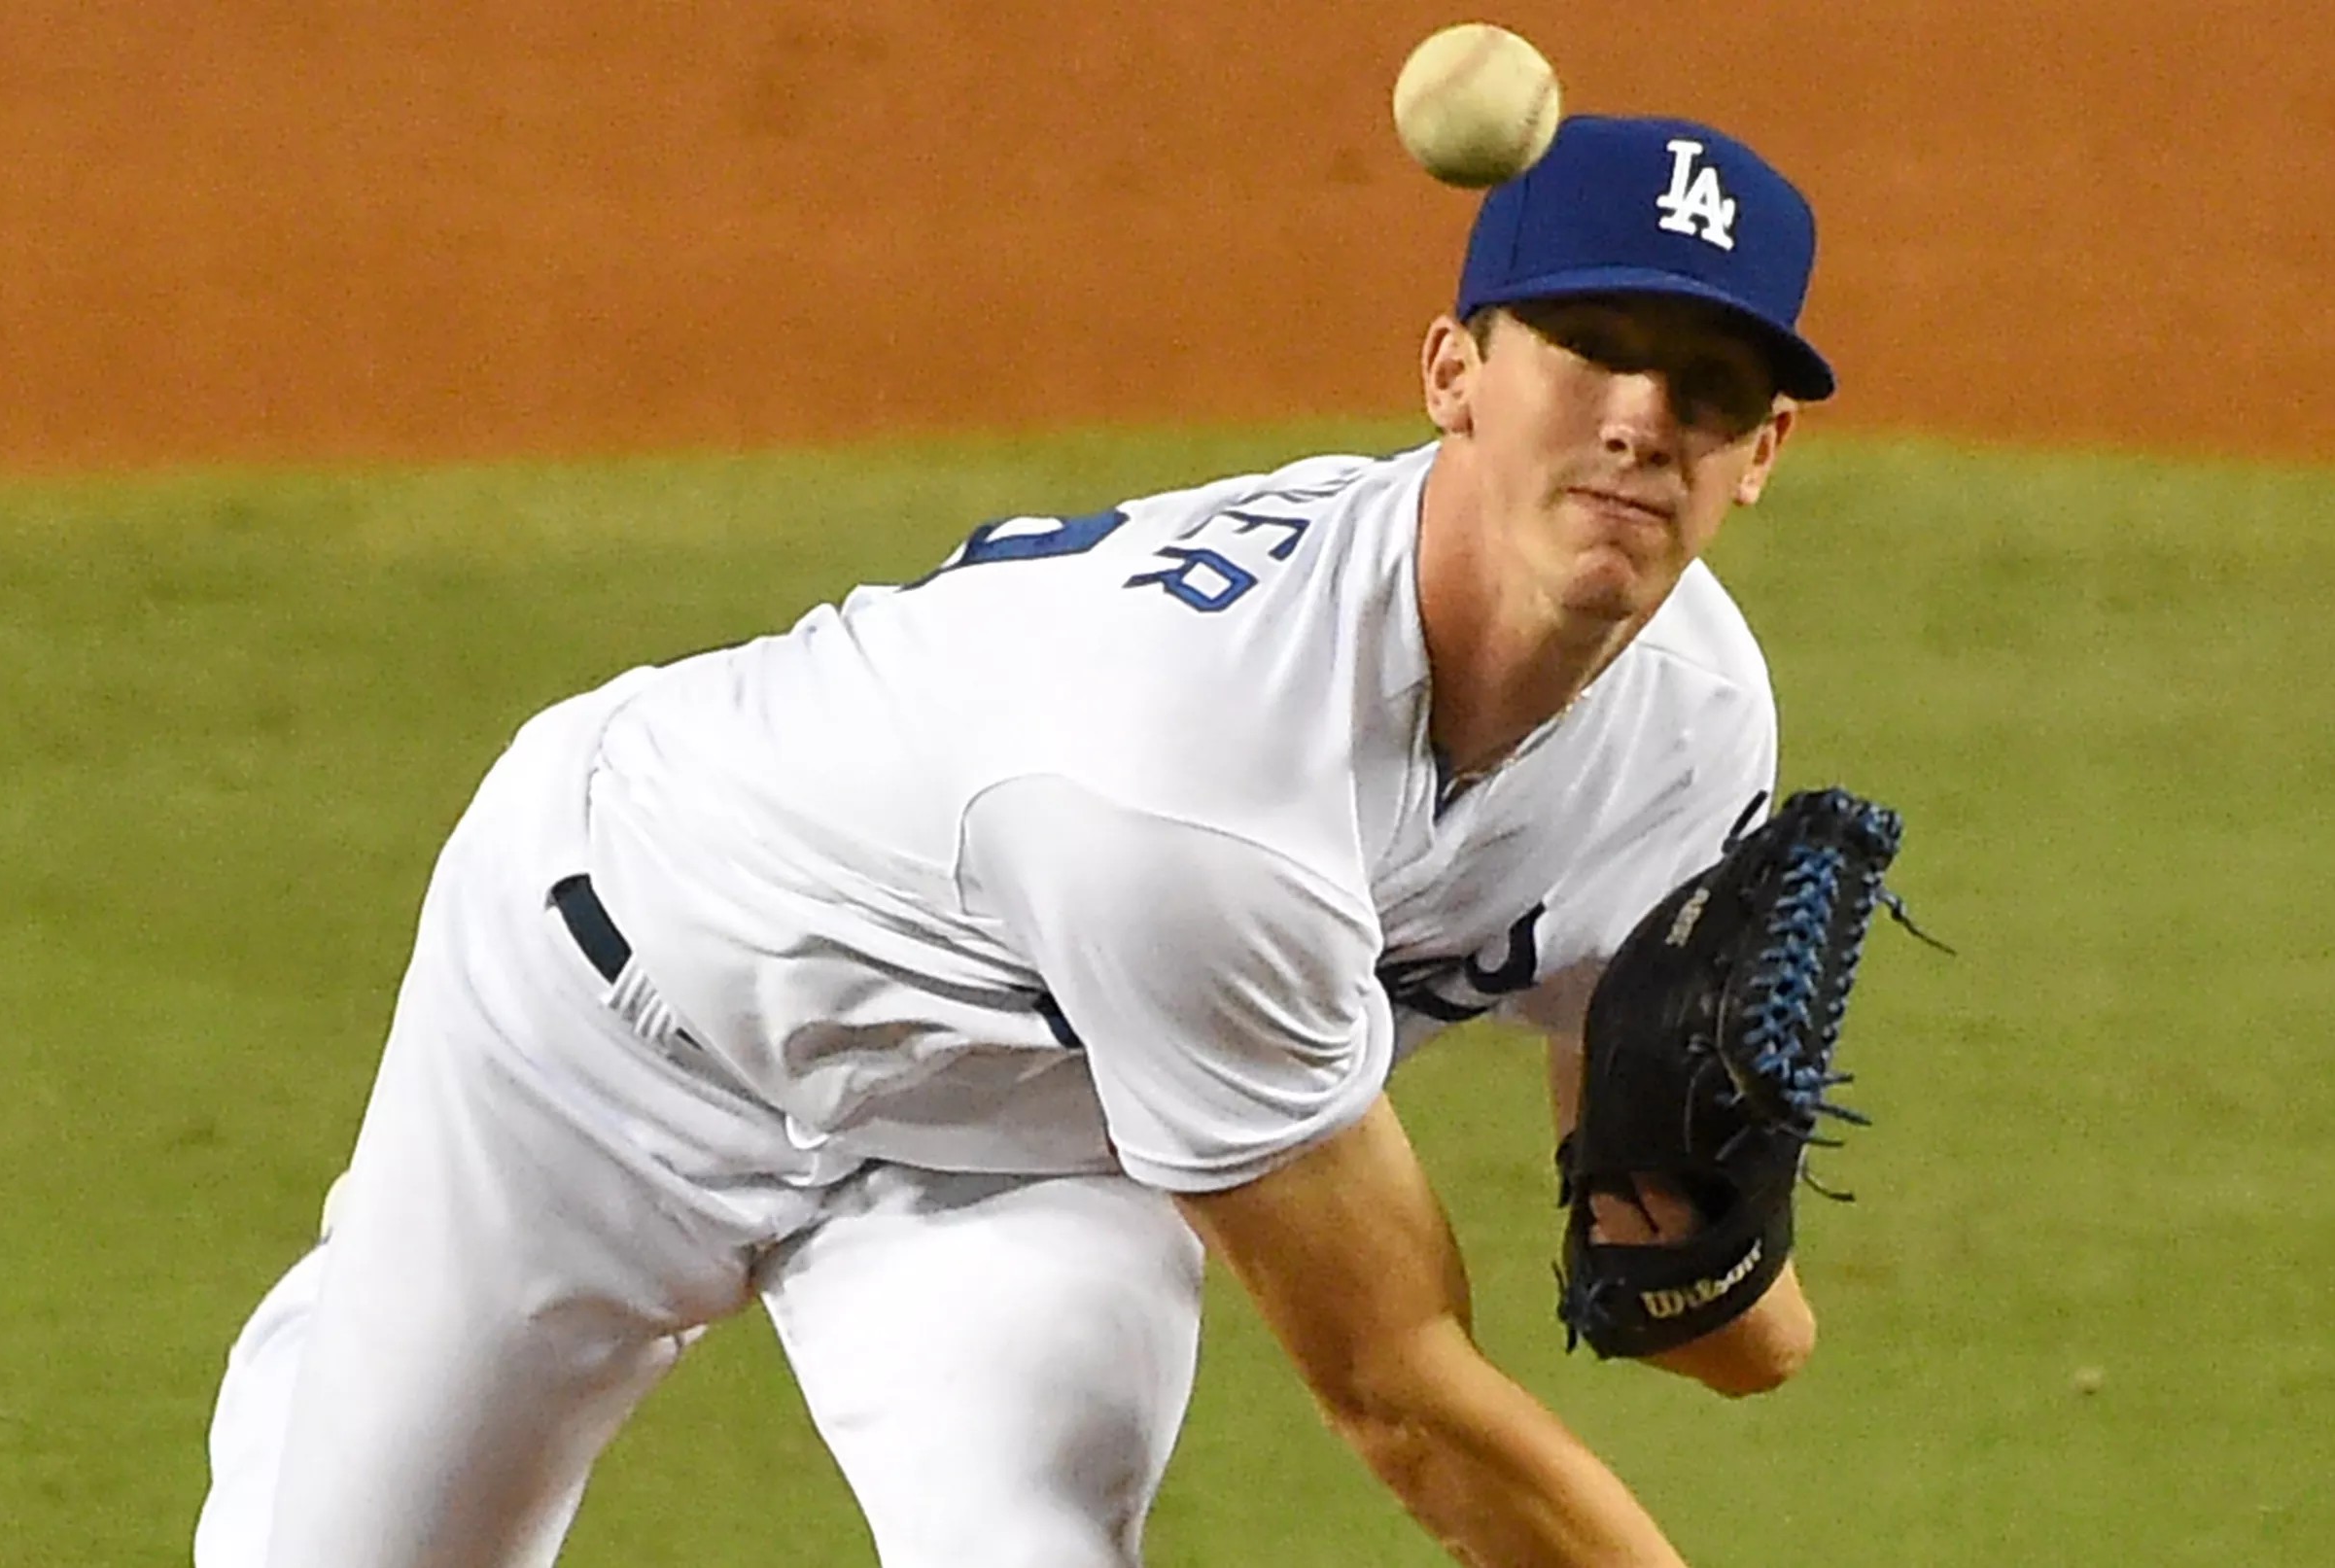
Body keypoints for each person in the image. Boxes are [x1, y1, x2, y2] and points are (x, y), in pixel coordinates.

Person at [195, 113, 1839, 1568]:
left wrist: (1719, 1276)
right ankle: (345, 1360)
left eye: (1707, 386)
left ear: (1761, 450)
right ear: (1452, 376)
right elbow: (1395, 1389)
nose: (1640, 419)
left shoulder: (1694, 725)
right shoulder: (1195, 782)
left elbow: (1674, 1269)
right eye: (1587, 348)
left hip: (1031, 1140)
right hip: (609, 1031)